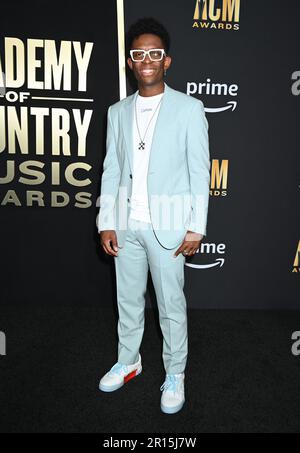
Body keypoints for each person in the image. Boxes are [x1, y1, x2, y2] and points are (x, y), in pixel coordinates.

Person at [97, 17, 210, 414]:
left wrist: (197, 227)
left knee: (170, 306)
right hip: (127, 225)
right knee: (127, 301)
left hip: (169, 224)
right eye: (139, 53)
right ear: (130, 61)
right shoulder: (116, 111)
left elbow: (200, 171)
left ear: (167, 61)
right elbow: (112, 168)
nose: (147, 59)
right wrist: (105, 220)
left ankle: (175, 372)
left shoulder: (189, 108)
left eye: (154, 53)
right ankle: (129, 361)